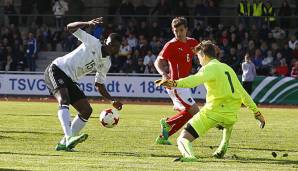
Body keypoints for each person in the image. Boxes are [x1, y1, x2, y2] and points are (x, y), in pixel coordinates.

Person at [155, 40, 265, 162]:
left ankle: (189, 156)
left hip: (213, 112)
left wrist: (173, 82)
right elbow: (243, 94)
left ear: (204, 55)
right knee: (228, 123)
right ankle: (223, 147)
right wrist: (257, 113)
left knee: (182, 139)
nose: (199, 60)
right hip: (231, 115)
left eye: (198, 57)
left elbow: (193, 80)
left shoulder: (209, 68)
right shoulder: (228, 68)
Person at [44, 17, 123, 151]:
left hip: (70, 79)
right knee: (64, 100)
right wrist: (87, 23)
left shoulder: (106, 63)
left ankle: (64, 143)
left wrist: (111, 100)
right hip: (57, 69)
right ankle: (69, 138)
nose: (112, 48)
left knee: (86, 110)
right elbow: (69, 27)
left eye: (116, 47)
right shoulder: (93, 42)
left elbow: (99, 84)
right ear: (105, 41)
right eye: (111, 44)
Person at [154, 17, 199, 145]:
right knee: (195, 112)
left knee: (189, 113)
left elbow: (202, 54)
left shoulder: (192, 42)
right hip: (175, 85)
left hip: (185, 84)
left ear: (186, 30)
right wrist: (163, 74)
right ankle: (167, 124)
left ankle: (164, 135)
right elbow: (157, 61)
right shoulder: (171, 45)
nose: (178, 33)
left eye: (181, 30)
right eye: (176, 31)